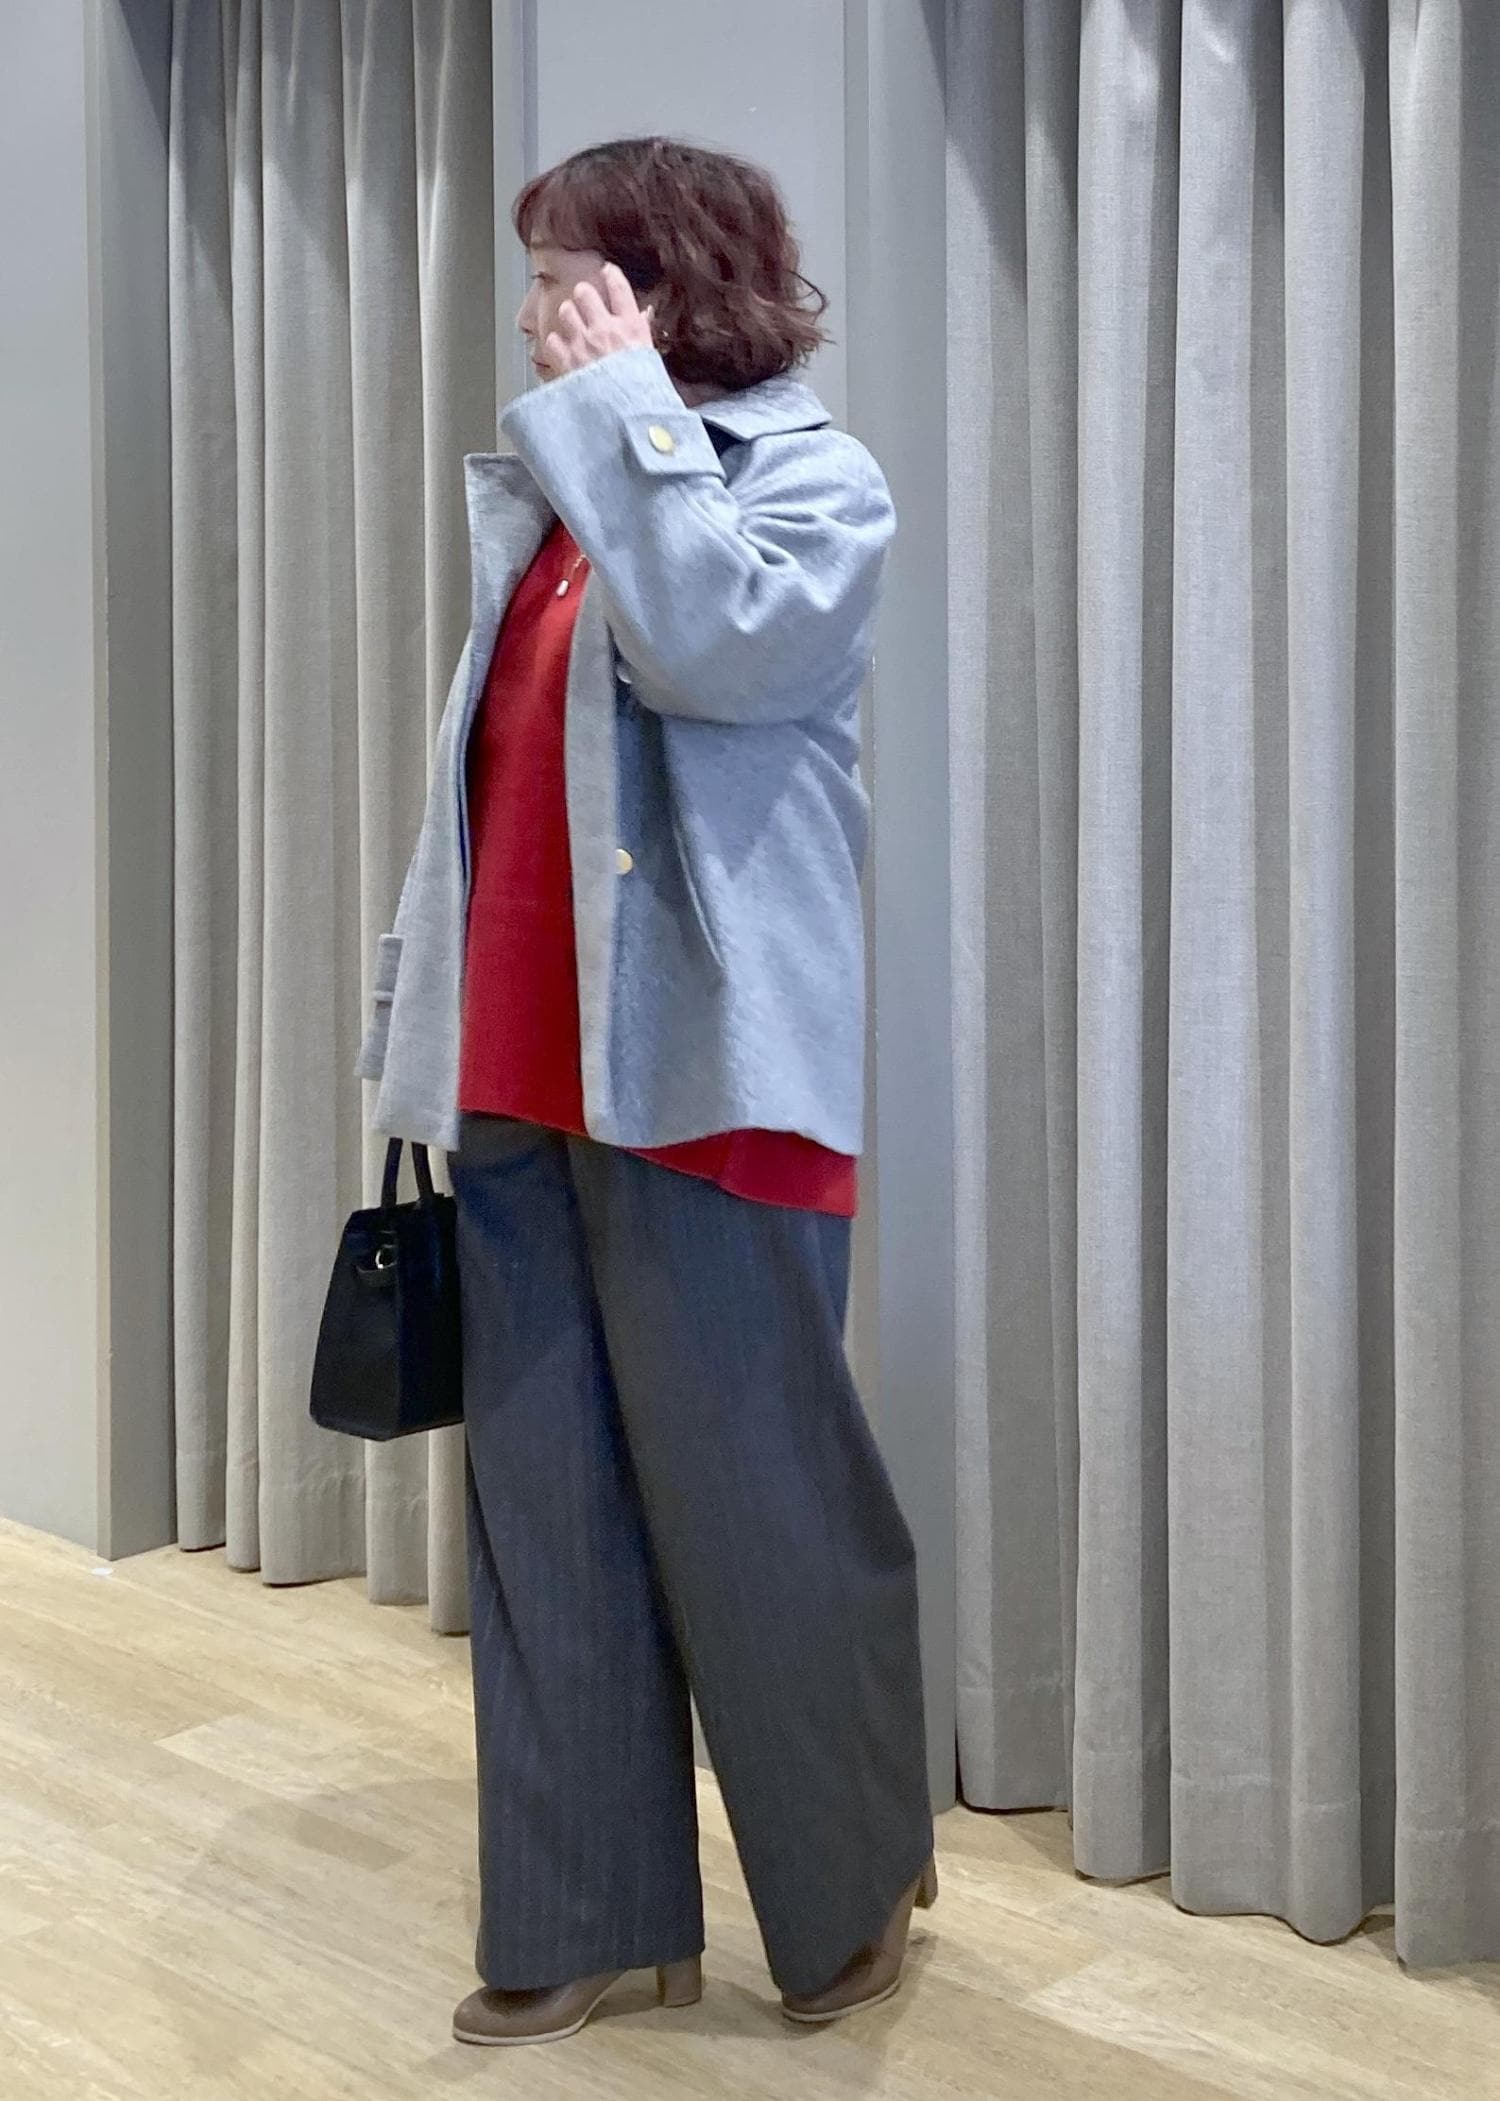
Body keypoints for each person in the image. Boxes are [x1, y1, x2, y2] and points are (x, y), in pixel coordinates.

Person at [355, 134, 935, 2049]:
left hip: (709, 1080)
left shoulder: (809, 481)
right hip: (523, 1072)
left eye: (570, 277)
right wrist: (412, 1017)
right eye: (536, 277)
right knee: (545, 1507)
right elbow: (490, 791)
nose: (536, 314)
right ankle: (592, 1908)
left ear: (674, 286)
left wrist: (621, 420)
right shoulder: (558, 496)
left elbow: (717, 654)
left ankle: (852, 1878)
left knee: (761, 1496)